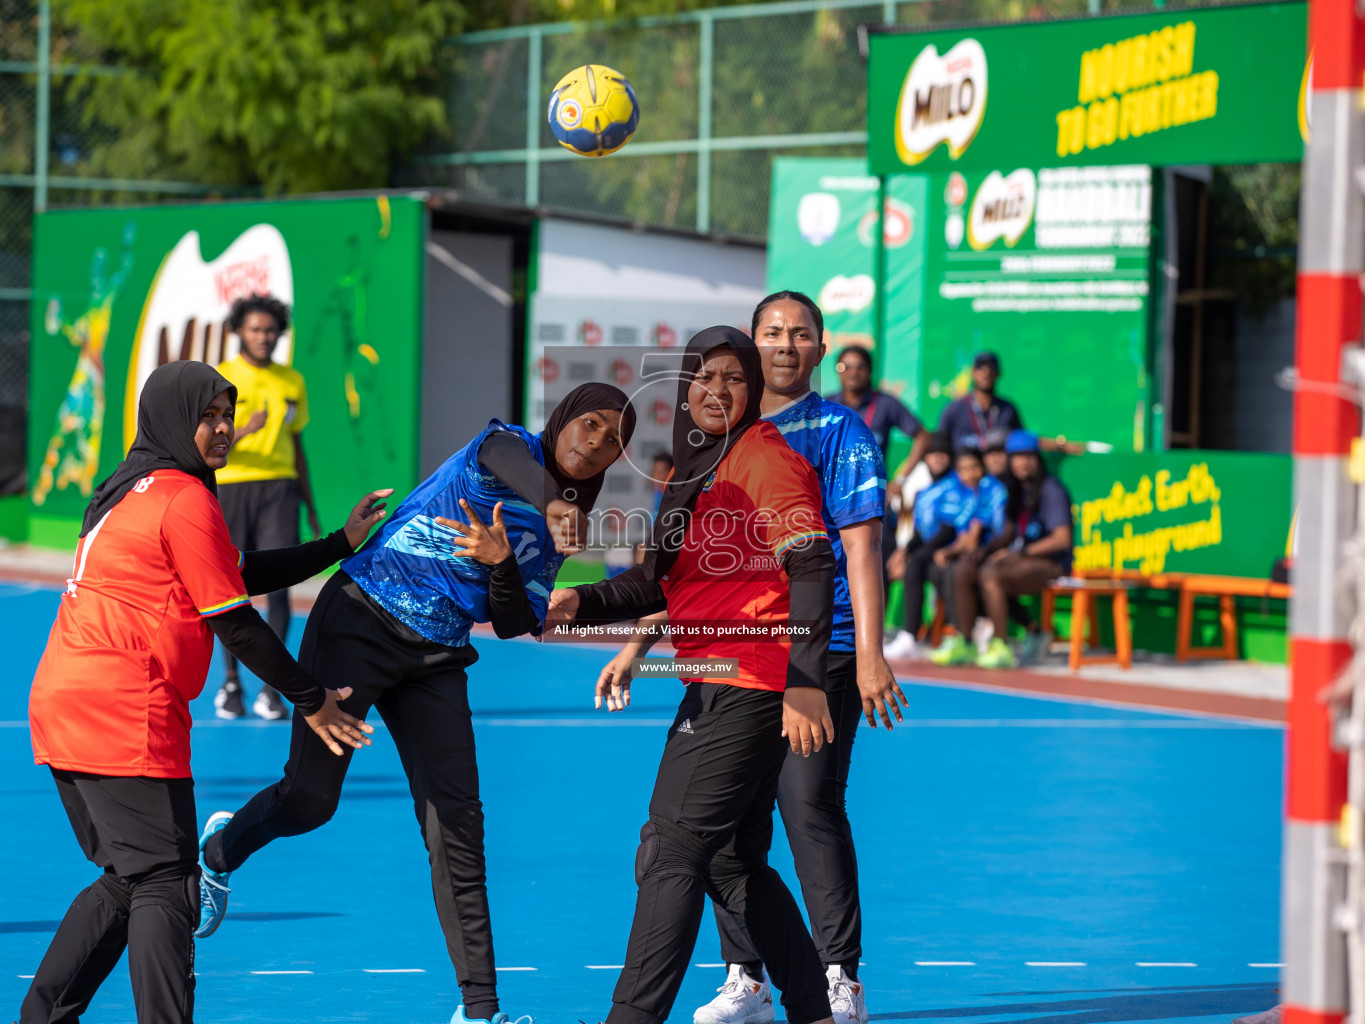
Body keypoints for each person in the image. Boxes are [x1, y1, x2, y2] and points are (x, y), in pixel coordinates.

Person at [196, 383, 637, 1024]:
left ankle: (479, 1011)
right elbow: (514, 467)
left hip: (436, 659)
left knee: (458, 826)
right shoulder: (506, 446)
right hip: (357, 623)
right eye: (589, 423)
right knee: (311, 802)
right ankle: (218, 851)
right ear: (563, 419)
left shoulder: (559, 531)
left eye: (613, 440)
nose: (595, 442)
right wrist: (552, 503)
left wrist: (504, 561)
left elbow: (516, 621)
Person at [21, 360, 381, 1024]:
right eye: (208, 415)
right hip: (121, 705)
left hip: (66, 701)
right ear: (170, 416)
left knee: (130, 880)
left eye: (227, 414)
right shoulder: (183, 497)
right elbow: (234, 621)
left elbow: (236, 570)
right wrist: (312, 698)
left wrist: (338, 543)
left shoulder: (132, 490)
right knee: (163, 880)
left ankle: (41, 1017)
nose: (222, 429)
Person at [595, 292, 906, 1024]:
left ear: (821, 349)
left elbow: (853, 548)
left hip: (811, 652)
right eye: (771, 332)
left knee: (805, 808)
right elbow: (691, 568)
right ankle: (751, 978)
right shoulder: (723, 434)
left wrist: (866, 654)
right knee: (734, 840)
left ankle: (836, 976)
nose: (785, 344)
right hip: (735, 655)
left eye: (801, 334)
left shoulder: (835, 432)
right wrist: (638, 642)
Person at [546, 326, 838, 1024]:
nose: (716, 391)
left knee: (670, 848)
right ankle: (813, 1010)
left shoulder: (764, 458)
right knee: (730, 861)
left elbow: (812, 564)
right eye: (703, 377)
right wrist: (576, 605)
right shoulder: (695, 468)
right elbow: (658, 583)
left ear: (753, 389)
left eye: (733, 378)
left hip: (752, 679)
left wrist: (804, 680)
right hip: (718, 678)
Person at [214, 293, 322, 721]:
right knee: (230, 588)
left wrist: (310, 504)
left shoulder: (291, 381)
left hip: (280, 490)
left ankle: (271, 689)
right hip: (232, 488)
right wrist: (243, 430)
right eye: (255, 329)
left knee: (279, 588)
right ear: (239, 330)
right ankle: (231, 684)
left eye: (270, 330)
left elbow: (298, 444)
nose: (264, 337)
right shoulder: (219, 377)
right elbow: (203, 442)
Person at [963, 430, 1074, 669]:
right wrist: (988, 551)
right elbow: (1012, 532)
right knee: (977, 570)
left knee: (991, 575)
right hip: (1027, 558)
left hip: (1054, 563)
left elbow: (1062, 539)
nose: (1023, 462)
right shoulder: (1018, 489)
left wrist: (1019, 553)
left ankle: (1001, 646)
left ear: (1038, 459)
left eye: (1029, 456)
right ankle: (1030, 631)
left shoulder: (1051, 489)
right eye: (1017, 456)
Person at [924, 448, 1011, 668]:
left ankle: (998, 644)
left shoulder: (991, 489)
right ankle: (965, 639)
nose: (969, 473)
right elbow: (964, 538)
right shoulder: (967, 494)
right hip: (981, 553)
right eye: (963, 469)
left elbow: (976, 536)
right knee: (942, 569)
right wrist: (948, 552)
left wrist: (956, 551)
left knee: (962, 571)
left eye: (974, 467)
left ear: (982, 468)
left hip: (1002, 550)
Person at [883, 432, 954, 661]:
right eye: (933, 454)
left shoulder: (954, 485)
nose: (938, 459)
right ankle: (889, 634)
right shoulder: (923, 487)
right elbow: (921, 530)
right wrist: (902, 552)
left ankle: (918, 635)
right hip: (930, 546)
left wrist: (911, 555)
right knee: (885, 561)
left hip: (952, 548)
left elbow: (946, 530)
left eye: (943, 454)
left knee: (919, 566)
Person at [937, 352, 1085, 455]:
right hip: (962, 480)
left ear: (998, 374)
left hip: (999, 479)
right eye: (980, 367)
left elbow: (1024, 440)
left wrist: (1061, 445)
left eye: (991, 368)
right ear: (973, 373)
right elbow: (938, 445)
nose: (986, 373)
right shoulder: (954, 409)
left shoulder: (1007, 409)